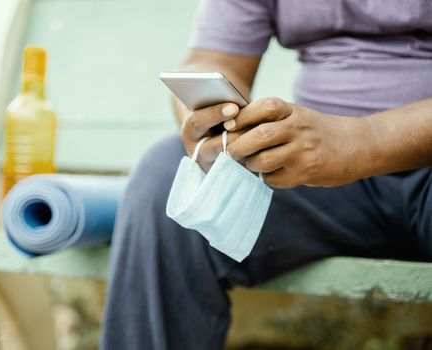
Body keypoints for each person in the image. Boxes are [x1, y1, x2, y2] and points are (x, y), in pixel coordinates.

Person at [101, 1, 432, 349]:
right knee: (163, 177)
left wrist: (363, 139)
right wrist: (211, 118)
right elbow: (217, 57)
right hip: (320, 173)